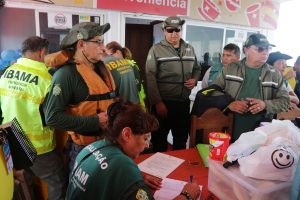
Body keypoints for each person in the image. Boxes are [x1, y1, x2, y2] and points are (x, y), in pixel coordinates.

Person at [66, 100, 201, 200]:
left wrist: (135, 177)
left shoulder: (92, 147)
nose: (147, 145)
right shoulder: (122, 167)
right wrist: (187, 195)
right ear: (127, 134)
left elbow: (107, 174)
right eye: (145, 138)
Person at [44, 22, 116, 174]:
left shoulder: (101, 69)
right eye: (98, 42)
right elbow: (52, 118)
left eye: (102, 42)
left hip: (108, 142)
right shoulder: (66, 75)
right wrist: (95, 121)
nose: (103, 47)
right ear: (81, 44)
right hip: (83, 149)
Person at [0, 36, 66, 200]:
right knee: (57, 180)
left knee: (25, 180)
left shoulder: (7, 72)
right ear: (42, 52)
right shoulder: (47, 79)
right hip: (37, 146)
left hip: (12, 140)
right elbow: (54, 115)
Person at [212, 33, 290, 141]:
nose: (265, 52)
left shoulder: (274, 74)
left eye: (267, 49)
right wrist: (229, 103)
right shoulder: (230, 69)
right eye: (260, 49)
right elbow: (212, 91)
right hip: (231, 126)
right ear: (246, 50)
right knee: (230, 156)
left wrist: (265, 105)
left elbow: (285, 101)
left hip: (262, 132)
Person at [145, 16, 201, 152]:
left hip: (183, 103)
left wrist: (194, 79)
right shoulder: (156, 49)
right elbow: (149, 76)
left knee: (181, 139)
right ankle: (158, 171)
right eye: (170, 30)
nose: (174, 34)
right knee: (159, 139)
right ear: (164, 31)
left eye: (177, 30)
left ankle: (177, 170)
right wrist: (158, 102)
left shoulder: (190, 48)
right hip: (164, 103)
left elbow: (197, 68)